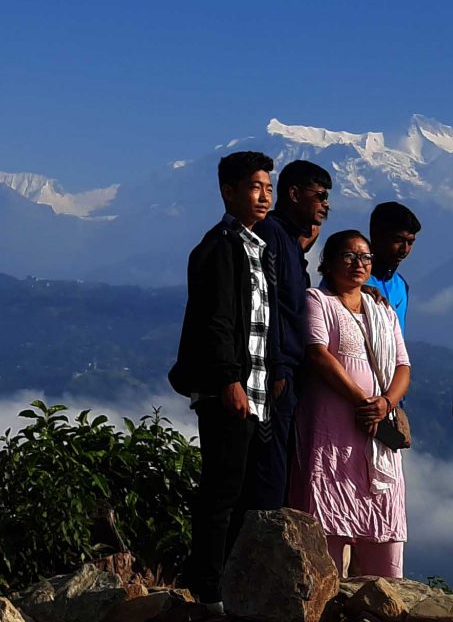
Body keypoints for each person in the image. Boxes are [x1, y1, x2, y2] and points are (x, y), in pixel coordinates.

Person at [168, 150, 282, 603]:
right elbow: (217, 320)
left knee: (245, 494)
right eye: (255, 187)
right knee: (221, 493)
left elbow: (259, 322)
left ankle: (234, 586)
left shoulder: (257, 247)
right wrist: (228, 380)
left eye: (268, 188)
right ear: (228, 191)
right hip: (229, 391)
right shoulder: (219, 247)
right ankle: (208, 590)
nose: (263, 196)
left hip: (256, 390)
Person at [292, 229, 412, 577]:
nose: (358, 264)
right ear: (327, 263)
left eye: (365, 257)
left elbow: (403, 366)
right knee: (327, 529)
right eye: (348, 256)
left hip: (377, 436)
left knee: (384, 544)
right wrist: (364, 401)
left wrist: (386, 403)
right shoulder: (318, 301)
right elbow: (318, 353)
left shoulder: (381, 309)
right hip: (334, 431)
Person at [247, 158, 332, 508]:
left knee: (283, 463)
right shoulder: (273, 236)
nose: (325, 204)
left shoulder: (289, 241)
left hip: (290, 372)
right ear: (294, 194)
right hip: (277, 374)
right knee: (271, 467)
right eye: (320, 195)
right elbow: (268, 304)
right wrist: (278, 366)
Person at [369, 202, 423, 334]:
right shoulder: (349, 281)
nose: (404, 249)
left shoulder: (401, 284)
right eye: (398, 240)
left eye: (410, 242)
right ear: (376, 236)